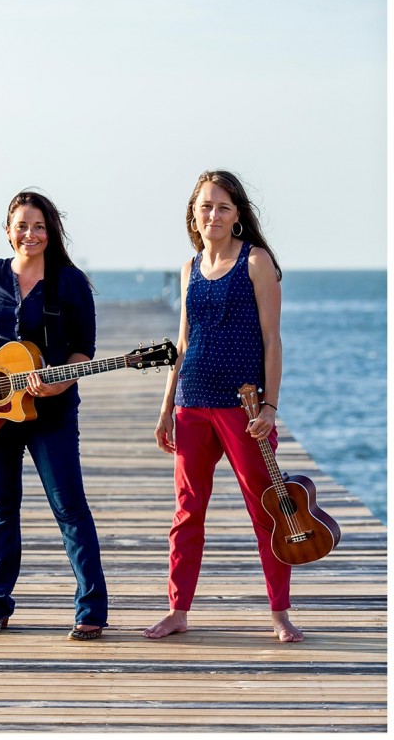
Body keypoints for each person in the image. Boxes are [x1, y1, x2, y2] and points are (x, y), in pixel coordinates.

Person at [0, 190, 108, 640]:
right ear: (7, 230)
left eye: (39, 227)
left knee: (69, 507)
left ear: (50, 233)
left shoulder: (70, 282)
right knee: (0, 509)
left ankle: (91, 609)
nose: (29, 234)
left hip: (51, 411)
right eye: (22, 226)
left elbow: (83, 351)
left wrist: (60, 381)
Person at [143, 170, 300, 642]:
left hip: (244, 409)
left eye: (223, 207)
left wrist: (270, 407)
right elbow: (183, 342)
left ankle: (279, 611)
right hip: (193, 405)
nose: (213, 214)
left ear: (237, 216)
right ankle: (178, 610)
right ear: (194, 212)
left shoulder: (256, 261)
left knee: (266, 509)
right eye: (206, 206)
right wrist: (167, 406)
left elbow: (273, 341)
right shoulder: (190, 267)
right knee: (188, 511)